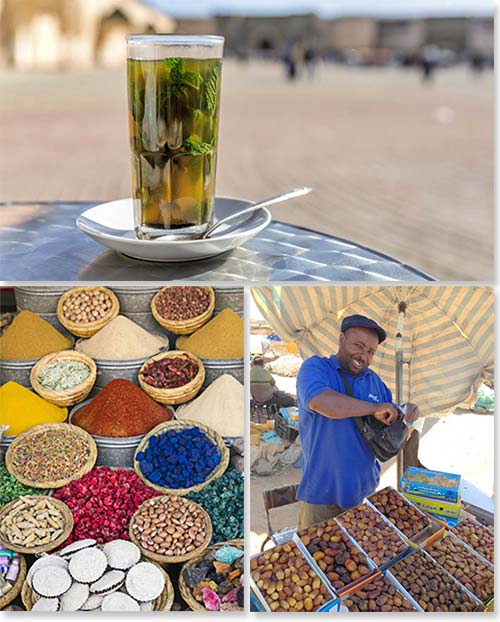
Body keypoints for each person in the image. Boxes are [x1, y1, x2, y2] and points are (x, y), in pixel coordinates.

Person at [296, 314, 420, 530]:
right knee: (315, 557)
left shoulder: (375, 382)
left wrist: (405, 412)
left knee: (357, 557)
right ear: (341, 338)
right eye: (358, 346)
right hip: (322, 493)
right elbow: (321, 402)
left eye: (370, 351)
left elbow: (387, 419)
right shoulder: (316, 368)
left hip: (364, 493)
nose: (363, 355)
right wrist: (372, 408)